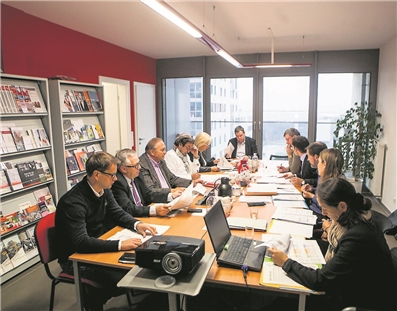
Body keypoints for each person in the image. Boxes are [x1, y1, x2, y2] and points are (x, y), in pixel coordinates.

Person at [268, 177, 397, 311]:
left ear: (342, 206)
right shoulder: (356, 218)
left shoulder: (357, 237)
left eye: (325, 208)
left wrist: (286, 262)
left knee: (283, 303)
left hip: (357, 300)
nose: (324, 213)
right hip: (356, 285)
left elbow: (321, 280)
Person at [55, 151, 157, 310]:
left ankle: (96, 296)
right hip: (76, 258)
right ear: (96, 174)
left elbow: (117, 212)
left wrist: (137, 224)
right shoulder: (73, 202)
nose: (115, 179)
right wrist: (119, 245)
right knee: (127, 273)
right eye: (112, 175)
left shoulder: (104, 188)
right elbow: (81, 243)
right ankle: (93, 300)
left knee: (139, 263)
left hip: (100, 243)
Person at [111, 148, 170, 217]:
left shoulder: (136, 175)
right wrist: (154, 210)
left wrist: (171, 196)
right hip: (132, 219)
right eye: (136, 165)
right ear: (124, 169)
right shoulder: (117, 182)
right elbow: (128, 209)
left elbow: (148, 194)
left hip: (143, 215)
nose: (139, 167)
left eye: (139, 163)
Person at [302, 148, 344, 219]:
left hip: (320, 215)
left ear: (324, 164)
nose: (318, 165)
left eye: (319, 162)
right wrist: (312, 189)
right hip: (314, 209)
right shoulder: (323, 176)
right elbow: (323, 194)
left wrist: (311, 196)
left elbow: (325, 206)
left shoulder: (335, 183)